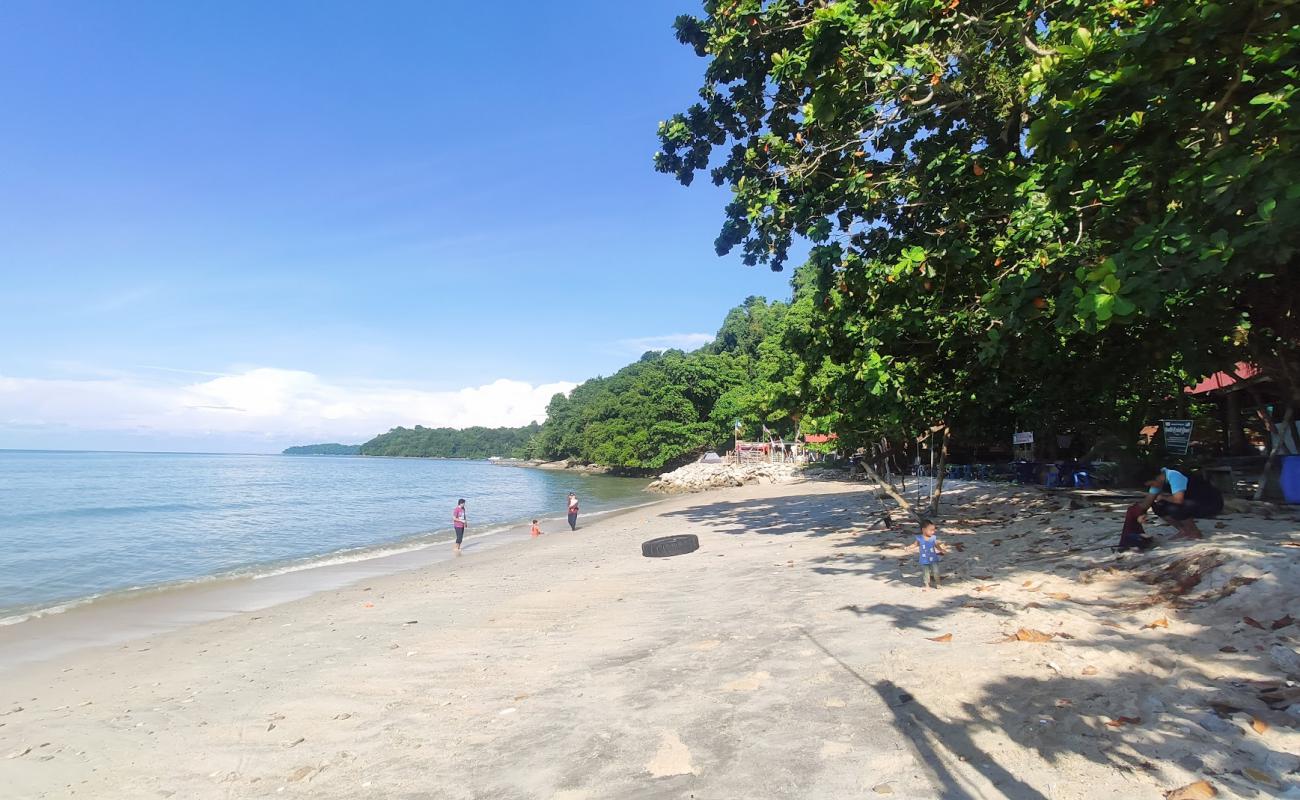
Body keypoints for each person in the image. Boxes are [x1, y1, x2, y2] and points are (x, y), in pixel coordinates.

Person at [1146, 467, 1224, 540]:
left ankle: (1195, 532)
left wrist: (1163, 497)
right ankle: (1184, 530)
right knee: (1157, 505)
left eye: (1152, 484)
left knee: (1175, 508)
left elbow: (1178, 500)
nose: (1153, 487)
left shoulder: (1174, 475)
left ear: (1158, 477)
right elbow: (1147, 502)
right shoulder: (1159, 481)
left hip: (1210, 503)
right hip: (1191, 501)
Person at [911, 519, 947, 591]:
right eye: (931, 530)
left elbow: (936, 545)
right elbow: (915, 545)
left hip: (933, 558)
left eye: (934, 530)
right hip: (924, 559)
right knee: (926, 573)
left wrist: (941, 550)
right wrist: (909, 547)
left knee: (936, 571)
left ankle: (938, 583)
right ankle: (927, 585)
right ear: (924, 530)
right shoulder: (920, 538)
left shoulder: (933, 538)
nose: (933, 532)